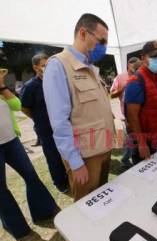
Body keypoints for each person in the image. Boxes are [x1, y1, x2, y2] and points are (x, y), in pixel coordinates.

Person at [43, 13, 115, 201]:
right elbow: (59, 122)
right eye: (102, 41)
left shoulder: (90, 67)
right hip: (85, 157)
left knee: (102, 203)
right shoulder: (58, 66)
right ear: (83, 33)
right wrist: (75, 162)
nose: (104, 47)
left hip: (103, 149)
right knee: (86, 208)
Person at [0, 69, 59, 239]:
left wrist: (2, 87)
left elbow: (17, 106)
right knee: (1, 189)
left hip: (11, 141)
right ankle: (17, 227)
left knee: (30, 175)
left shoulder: (2, 90)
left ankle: (44, 211)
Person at [21, 53, 68, 193]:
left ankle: (70, 176)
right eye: (44, 65)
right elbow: (24, 108)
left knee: (66, 152)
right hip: (45, 128)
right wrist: (37, 118)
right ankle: (60, 183)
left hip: (61, 125)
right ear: (36, 68)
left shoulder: (56, 81)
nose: (47, 68)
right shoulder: (30, 87)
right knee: (53, 156)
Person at [124, 41, 157, 165]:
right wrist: (141, 144)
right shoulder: (135, 82)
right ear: (143, 58)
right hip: (146, 144)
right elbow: (132, 116)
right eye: (154, 57)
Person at [110, 57, 141, 167]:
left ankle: (128, 157)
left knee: (134, 138)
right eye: (134, 66)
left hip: (141, 112)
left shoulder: (140, 76)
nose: (136, 68)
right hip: (127, 114)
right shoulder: (120, 77)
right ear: (128, 65)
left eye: (138, 66)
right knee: (131, 137)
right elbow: (111, 95)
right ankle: (128, 159)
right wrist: (121, 89)